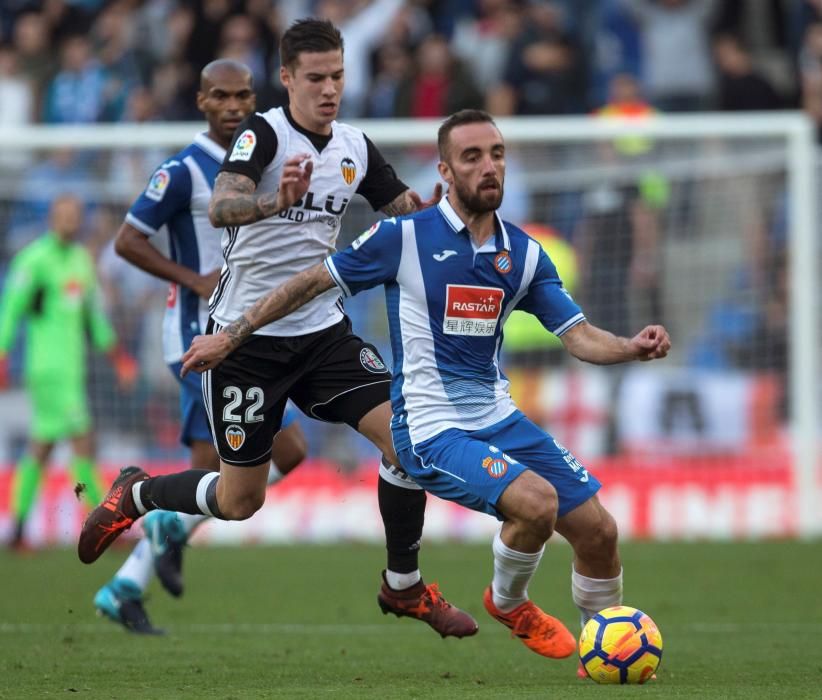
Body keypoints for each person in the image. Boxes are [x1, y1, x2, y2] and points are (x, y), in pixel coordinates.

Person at [178, 109, 671, 671]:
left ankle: (599, 654)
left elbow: (579, 337)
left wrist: (631, 346)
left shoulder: (525, 255)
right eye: (472, 157)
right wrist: (234, 334)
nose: (489, 167)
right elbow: (311, 281)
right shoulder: (403, 238)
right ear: (445, 169)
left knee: (600, 531)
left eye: (497, 154)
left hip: (496, 415)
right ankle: (509, 604)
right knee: (536, 504)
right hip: (430, 427)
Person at [78, 20, 477, 640]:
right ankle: (138, 495)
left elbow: (405, 213)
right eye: (315, 78)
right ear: (287, 78)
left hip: (323, 333)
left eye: (338, 77)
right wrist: (271, 200)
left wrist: (441, 212)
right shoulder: (263, 134)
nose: (329, 90)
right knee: (241, 501)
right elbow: (222, 205)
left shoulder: (355, 146)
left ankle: (404, 587)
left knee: (408, 443)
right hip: (245, 342)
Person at [91, 59, 308, 635]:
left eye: (243, 96)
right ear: (201, 101)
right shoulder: (184, 171)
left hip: (245, 334)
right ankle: (157, 535)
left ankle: (128, 582)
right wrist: (193, 280)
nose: (235, 106)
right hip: (197, 339)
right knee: (279, 454)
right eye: (222, 96)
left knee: (227, 467)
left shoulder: (259, 159)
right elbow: (127, 240)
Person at [0, 194, 137, 550]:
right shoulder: (34, 261)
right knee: (83, 442)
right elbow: (10, 311)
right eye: (62, 215)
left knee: (41, 448)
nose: (69, 221)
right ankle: (100, 526)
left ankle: (16, 531)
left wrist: (118, 358)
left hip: (71, 370)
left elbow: (94, 318)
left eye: (74, 215)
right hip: (47, 369)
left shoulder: (80, 261)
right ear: (51, 218)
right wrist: (1, 357)